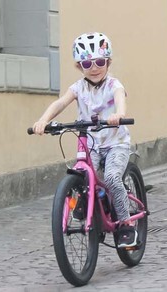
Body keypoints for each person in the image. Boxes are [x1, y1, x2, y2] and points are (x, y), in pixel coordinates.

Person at [31, 33, 136, 247]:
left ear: (108, 62)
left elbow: (119, 99)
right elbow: (60, 103)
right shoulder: (78, 88)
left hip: (115, 144)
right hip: (92, 145)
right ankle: (88, 202)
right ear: (80, 66)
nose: (94, 67)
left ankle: (126, 225)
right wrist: (43, 120)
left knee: (113, 178)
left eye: (99, 62)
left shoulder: (113, 84)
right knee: (82, 176)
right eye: (87, 63)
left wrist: (118, 114)